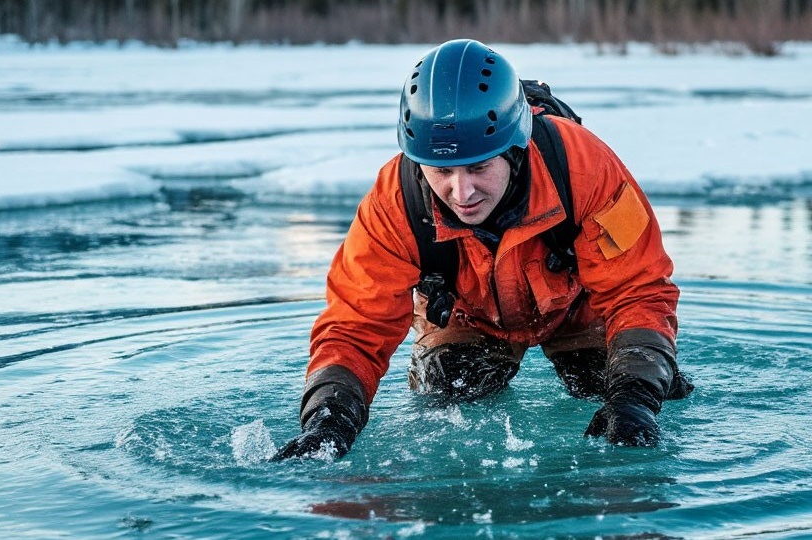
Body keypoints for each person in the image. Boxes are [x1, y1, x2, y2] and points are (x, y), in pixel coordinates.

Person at [274, 39, 692, 460]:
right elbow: (356, 325)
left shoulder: (586, 168)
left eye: (478, 167)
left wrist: (635, 398)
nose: (462, 193)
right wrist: (328, 420)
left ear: (515, 149)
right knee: (448, 392)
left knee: (637, 388)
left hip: (578, 309)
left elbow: (638, 290)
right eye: (442, 170)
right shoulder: (393, 204)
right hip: (466, 317)